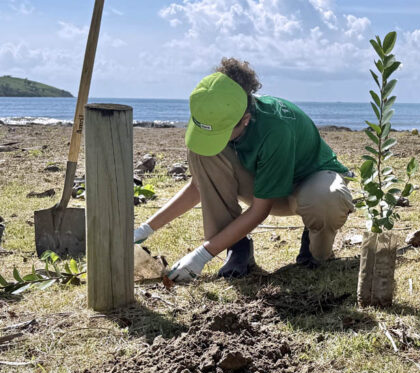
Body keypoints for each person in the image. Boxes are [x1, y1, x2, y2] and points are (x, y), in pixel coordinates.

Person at [134, 58, 355, 282]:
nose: (214, 139)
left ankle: (314, 252)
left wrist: (201, 255)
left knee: (324, 199)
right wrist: (143, 231)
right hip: (266, 185)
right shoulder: (216, 113)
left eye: (220, 133)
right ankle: (237, 249)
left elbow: (261, 209)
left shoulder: (276, 128)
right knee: (203, 152)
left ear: (245, 120)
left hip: (306, 186)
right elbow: (199, 187)